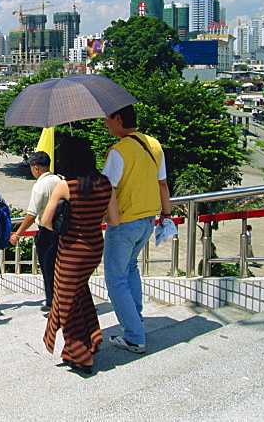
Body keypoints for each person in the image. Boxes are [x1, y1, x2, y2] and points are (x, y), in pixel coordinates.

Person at [41, 135, 120, 374]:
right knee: (79, 295)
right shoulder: (105, 183)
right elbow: (114, 219)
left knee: (66, 304)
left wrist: (68, 227)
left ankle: (81, 355)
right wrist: (93, 218)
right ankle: (92, 339)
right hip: (95, 248)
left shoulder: (65, 186)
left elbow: (45, 221)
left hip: (71, 252)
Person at [101, 104, 170, 355]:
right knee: (130, 269)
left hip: (124, 222)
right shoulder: (153, 144)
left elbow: (105, 190)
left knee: (115, 278)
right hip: (148, 220)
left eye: (107, 118)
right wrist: (167, 214)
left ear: (118, 118)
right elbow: (162, 184)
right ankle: (136, 320)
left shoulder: (119, 151)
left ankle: (133, 336)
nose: (105, 123)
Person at [9, 151, 61, 311]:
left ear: (36, 168)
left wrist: (18, 234)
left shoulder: (40, 185)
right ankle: (59, 300)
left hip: (47, 231)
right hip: (61, 229)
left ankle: (52, 302)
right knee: (59, 268)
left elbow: (31, 214)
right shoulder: (59, 179)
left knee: (47, 268)